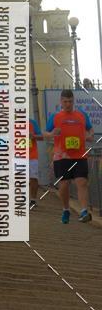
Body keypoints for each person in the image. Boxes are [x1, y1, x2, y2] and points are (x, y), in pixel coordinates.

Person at [45, 89, 94, 223]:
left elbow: (90, 129)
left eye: (70, 101)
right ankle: (66, 209)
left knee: (82, 182)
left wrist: (89, 135)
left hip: (80, 155)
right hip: (62, 157)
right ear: (61, 102)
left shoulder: (82, 115)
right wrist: (52, 133)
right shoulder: (55, 117)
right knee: (64, 185)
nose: (68, 104)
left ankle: (84, 211)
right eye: (65, 102)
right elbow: (45, 133)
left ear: (74, 101)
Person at [28, 116, 43, 210]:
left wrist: (33, 136)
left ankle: (33, 200)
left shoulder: (32, 122)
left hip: (31, 156)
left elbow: (41, 137)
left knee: (33, 178)